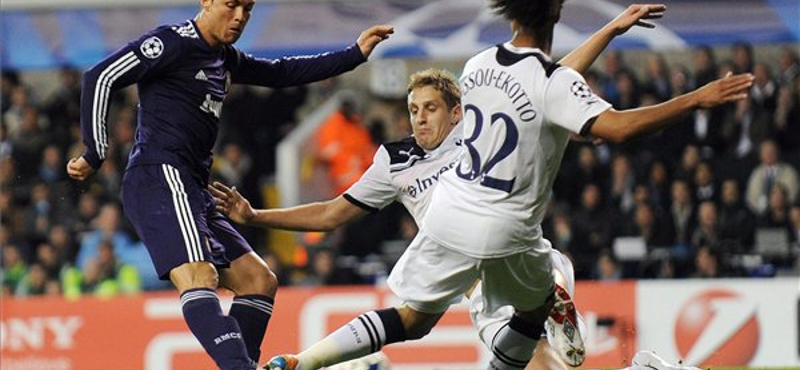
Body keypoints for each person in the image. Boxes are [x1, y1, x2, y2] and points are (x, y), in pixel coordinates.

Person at [267, 1, 752, 369]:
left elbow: (551, 81)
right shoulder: (552, 84)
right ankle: (554, 303)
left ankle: (301, 362)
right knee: (542, 295)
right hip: (505, 230)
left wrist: (609, 29)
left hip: (449, 215)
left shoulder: (478, 66)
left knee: (411, 319)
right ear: (557, 11)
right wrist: (696, 99)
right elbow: (618, 126)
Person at [65, 0, 393, 369]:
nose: (239, 17)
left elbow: (282, 73)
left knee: (258, 280)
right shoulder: (171, 42)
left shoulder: (224, 58)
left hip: (195, 187)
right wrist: (95, 150)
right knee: (199, 275)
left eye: (248, 8)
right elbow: (101, 76)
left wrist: (354, 55)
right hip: (160, 176)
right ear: (206, 1)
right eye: (231, 4)